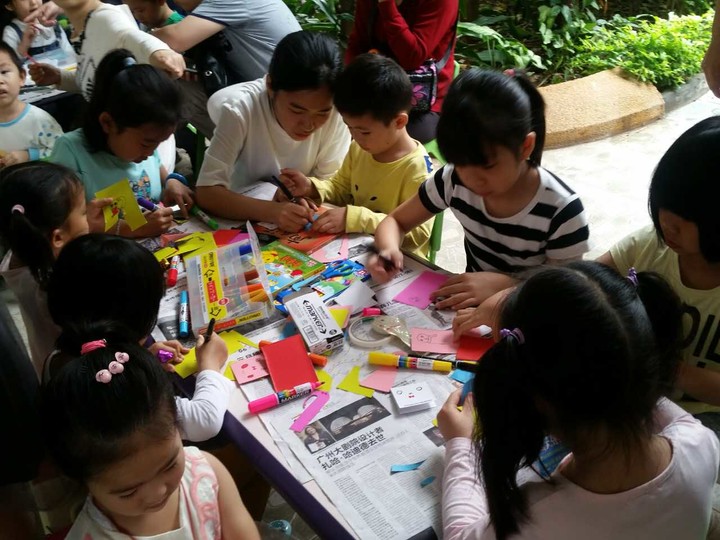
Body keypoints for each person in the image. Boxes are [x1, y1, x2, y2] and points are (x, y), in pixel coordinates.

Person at [437, 262, 719, 539]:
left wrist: (461, 444)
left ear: (537, 401)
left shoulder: (536, 519)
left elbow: (460, 535)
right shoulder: (701, 443)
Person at [368, 69, 589, 309]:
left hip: (525, 315)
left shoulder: (563, 212)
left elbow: (562, 294)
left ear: (525, 146)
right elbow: (396, 222)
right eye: (461, 164)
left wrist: (506, 287)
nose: (473, 181)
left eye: (488, 166)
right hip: (470, 308)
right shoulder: (453, 180)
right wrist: (387, 250)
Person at [41, 331, 260, 539]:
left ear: (178, 426)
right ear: (81, 479)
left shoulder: (207, 472)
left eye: (169, 466)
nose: (158, 492)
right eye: (128, 493)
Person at [46, 233, 233, 443]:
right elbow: (204, 422)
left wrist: (139, 359)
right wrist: (210, 365)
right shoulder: (118, 392)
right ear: (137, 318)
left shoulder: (62, 356)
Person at [597, 117, 720, 431]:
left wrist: (664, 367)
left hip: (707, 418)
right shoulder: (651, 245)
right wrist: (514, 291)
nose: (667, 222)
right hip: (639, 398)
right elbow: (587, 280)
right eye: (665, 202)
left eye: (689, 215)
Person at [277, 53, 433, 256]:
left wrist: (355, 218)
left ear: (399, 122)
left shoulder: (416, 169)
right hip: (355, 250)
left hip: (396, 260)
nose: (356, 137)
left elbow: (418, 234)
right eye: (349, 128)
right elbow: (341, 188)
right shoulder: (361, 148)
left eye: (364, 132)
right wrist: (311, 186)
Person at [195, 31, 350, 232]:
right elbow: (207, 192)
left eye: (322, 112)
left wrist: (307, 193)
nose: (309, 125)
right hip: (244, 215)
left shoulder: (337, 113)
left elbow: (333, 185)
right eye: (297, 110)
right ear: (270, 85)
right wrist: (273, 211)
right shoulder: (241, 109)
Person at [50, 49, 193, 238]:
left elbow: (156, 165)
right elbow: (62, 229)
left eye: (159, 143)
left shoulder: (143, 146)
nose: (151, 153)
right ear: (107, 123)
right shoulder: (70, 152)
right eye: (147, 144)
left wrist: (171, 181)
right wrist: (130, 229)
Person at [0, 162, 108, 377]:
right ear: (57, 237)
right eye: (83, 213)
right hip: (81, 376)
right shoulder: (58, 287)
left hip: (48, 367)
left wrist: (83, 228)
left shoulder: (19, 257)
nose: (87, 217)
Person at [150, 0, 300, 136]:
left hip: (285, 108)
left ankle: (243, 151)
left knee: (171, 88)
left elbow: (175, 39)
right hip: (267, 98)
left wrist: (139, 37)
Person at [345, 0, 458, 143]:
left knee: (380, 138)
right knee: (339, 125)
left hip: (420, 104)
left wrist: (387, 6)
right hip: (373, 90)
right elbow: (357, 43)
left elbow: (412, 57)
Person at [25, 0, 184, 100]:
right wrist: (60, 77)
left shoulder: (106, 16)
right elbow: (96, 80)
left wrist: (159, 52)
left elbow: (129, 36)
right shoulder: (80, 29)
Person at [0, 42, 63, 167]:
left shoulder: (39, 120)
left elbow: (62, 152)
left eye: (4, 71)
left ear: (21, 77)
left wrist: (29, 155)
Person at [1, 0, 75, 61]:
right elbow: (8, 65)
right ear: (9, 5)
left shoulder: (51, 22)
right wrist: (24, 45)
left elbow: (69, 52)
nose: (33, 2)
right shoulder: (11, 32)